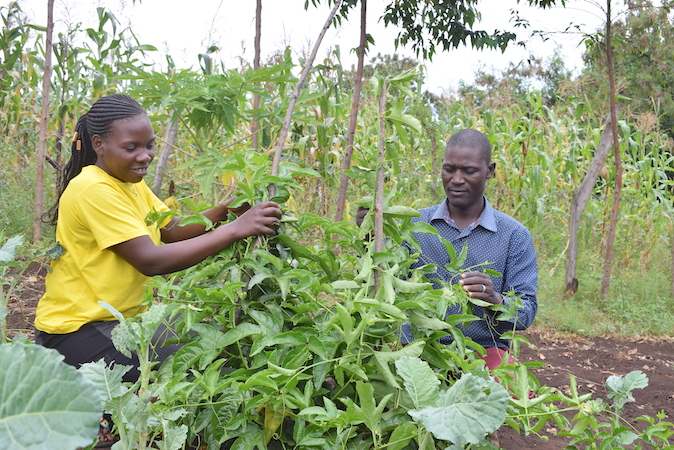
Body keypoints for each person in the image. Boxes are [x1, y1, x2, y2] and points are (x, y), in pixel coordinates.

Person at [35, 94, 283, 385]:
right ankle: (104, 419)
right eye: (131, 147)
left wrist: (226, 210)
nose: (145, 156)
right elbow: (150, 260)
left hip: (123, 322)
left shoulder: (127, 182)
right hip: (77, 331)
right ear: (99, 145)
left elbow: (173, 229)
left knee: (213, 341)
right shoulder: (93, 188)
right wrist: (235, 229)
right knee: (199, 359)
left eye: (150, 145)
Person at [404, 128, 538, 369]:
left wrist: (496, 299)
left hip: (483, 351)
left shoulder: (513, 235)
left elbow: (526, 313)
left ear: (490, 171)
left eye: (469, 171)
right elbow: (380, 281)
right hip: (418, 348)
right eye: (449, 169)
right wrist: (368, 237)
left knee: (505, 401)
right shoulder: (414, 225)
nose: (457, 179)